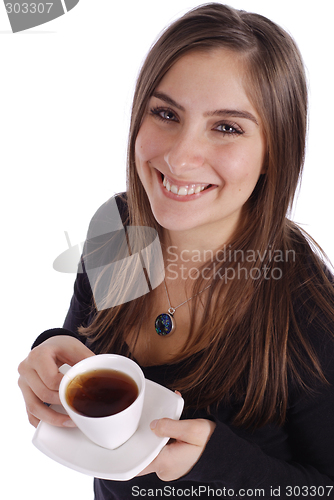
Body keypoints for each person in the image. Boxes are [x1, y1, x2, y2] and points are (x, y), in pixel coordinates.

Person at [18, 3, 334, 499]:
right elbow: (85, 345)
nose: (180, 157)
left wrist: (219, 460)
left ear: (275, 149)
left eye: (227, 127)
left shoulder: (308, 305)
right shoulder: (119, 228)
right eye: (166, 114)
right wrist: (50, 352)